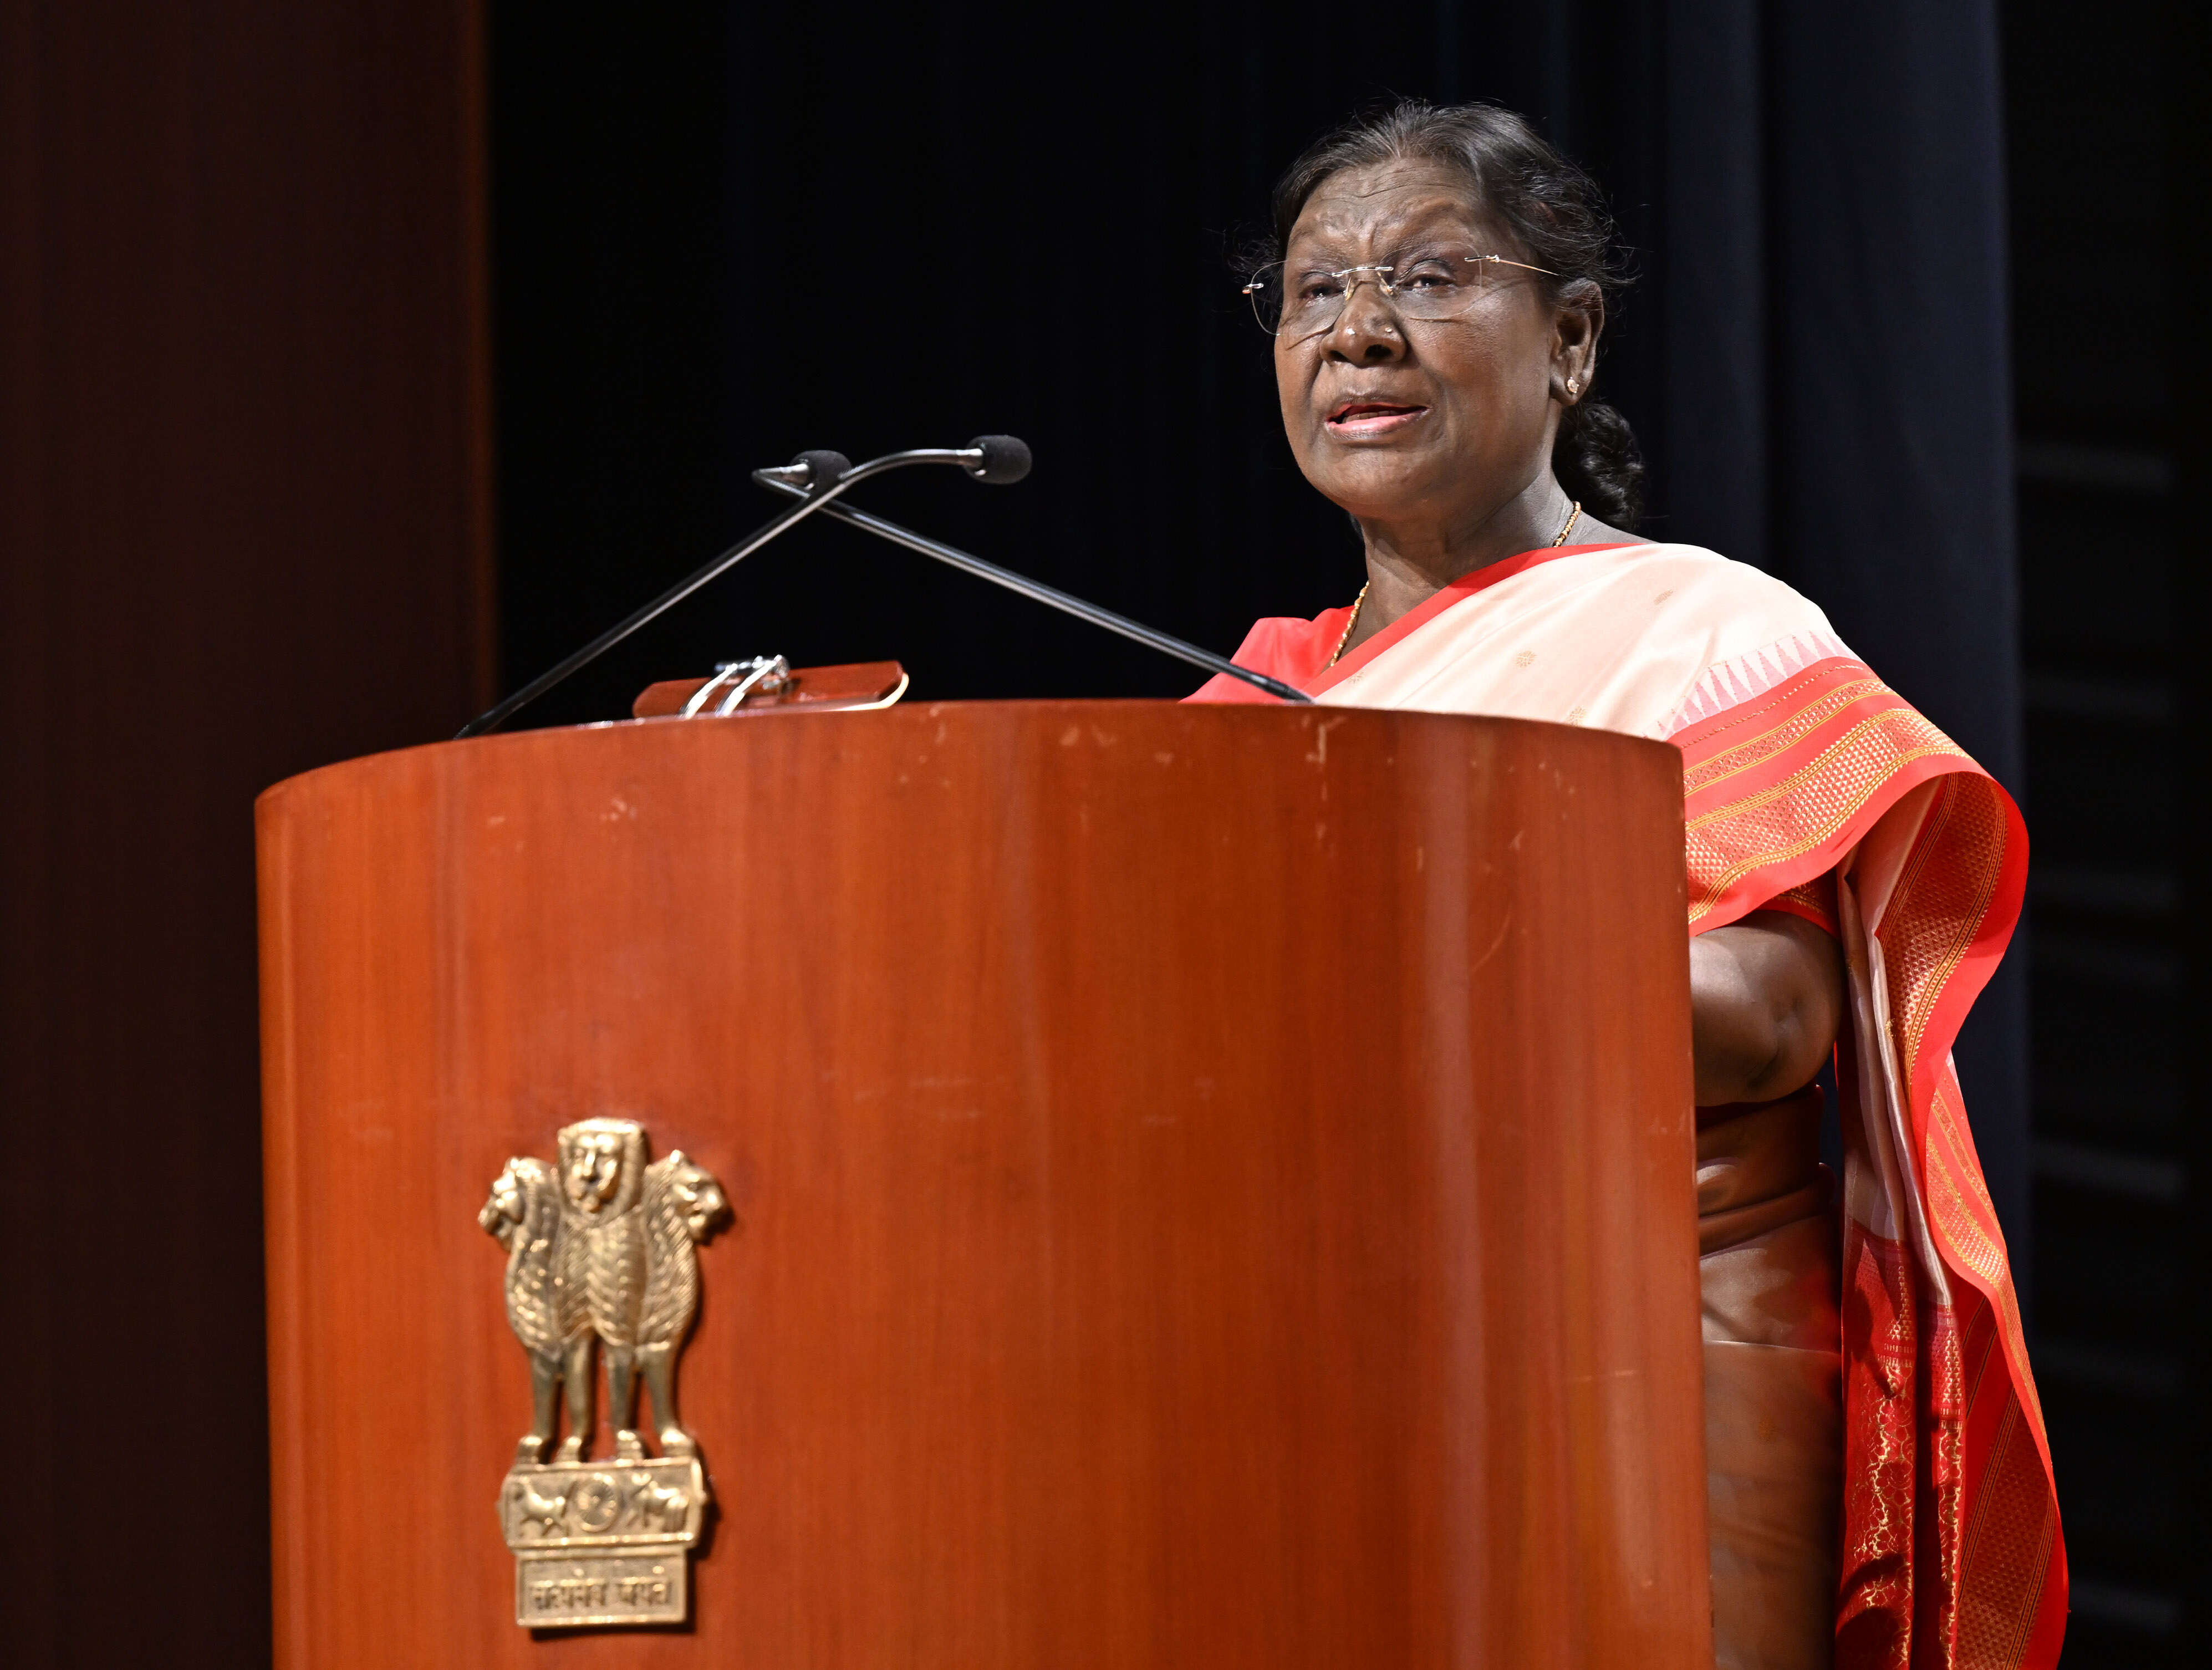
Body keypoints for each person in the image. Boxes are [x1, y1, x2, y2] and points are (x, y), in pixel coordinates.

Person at [1190, 100, 2064, 1670]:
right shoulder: (1251, 707)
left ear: (1573, 338)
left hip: (1638, 1393)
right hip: (1306, 1386)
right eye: (1315, 291)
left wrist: (1423, 933)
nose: (1360, 333)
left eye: (1432, 275)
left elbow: (1777, 1016)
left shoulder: (1704, 631)